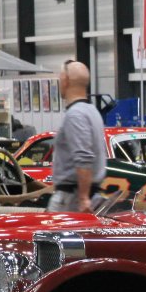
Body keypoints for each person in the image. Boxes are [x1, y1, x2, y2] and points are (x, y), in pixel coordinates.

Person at [49, 60, 107, 212]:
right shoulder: (92, 111)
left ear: (66, 80)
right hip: (86, 194)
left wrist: (83, 198)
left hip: (70, 199)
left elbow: (83, 157)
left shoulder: (75, 114)